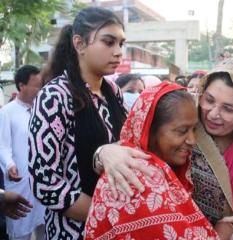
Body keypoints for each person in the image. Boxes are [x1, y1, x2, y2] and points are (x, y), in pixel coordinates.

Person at [95, 59, 233, 240]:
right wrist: (103, 152)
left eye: (228, 109)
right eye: (209, 100)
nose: (214, 114)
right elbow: (138, 143)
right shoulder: (185, 123)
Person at [28, 7, 127, 239]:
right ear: (80, 44)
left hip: (119, 225)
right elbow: (45, 183)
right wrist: (107, 214)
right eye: (108, 42)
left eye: (121, 44)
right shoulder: (55, 96)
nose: (118, 52)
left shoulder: (113, 91)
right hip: (74, 230)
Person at [85, 82, 220, 239]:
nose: (192, 140)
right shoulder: (138, 178)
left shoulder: (139, 161)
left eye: (194, 129)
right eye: (182, 131)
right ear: (149, 130)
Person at [0, 65, 46, 240]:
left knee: (45, 229)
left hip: (42, 182)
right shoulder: (7, 112)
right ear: (21, 85)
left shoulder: (43, 111)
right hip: (20, 182)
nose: (40, 90)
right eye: (36, 85)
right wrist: (10, 165)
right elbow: (2, 145)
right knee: (21, 231)